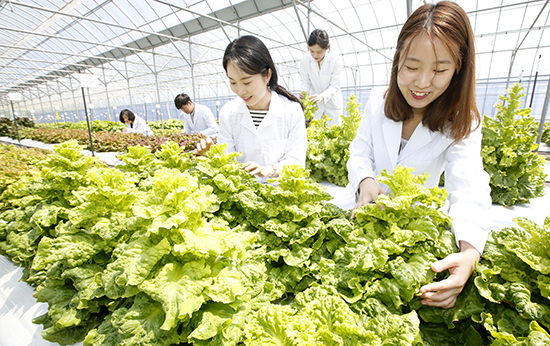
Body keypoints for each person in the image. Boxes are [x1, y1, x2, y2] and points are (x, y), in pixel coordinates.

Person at [347, 1, 492, 309]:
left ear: (458, 69)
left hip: (414, 230)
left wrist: (468, 252)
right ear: (397, 59)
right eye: (412, 67)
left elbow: (468, 186)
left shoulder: (462, 121)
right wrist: (366, 180)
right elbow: (359, 152)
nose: (423, 82)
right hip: (364, 219)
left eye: (440, 70)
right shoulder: (378, 100)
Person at [196, 35, 307, 183]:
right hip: (244, 194)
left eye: (247, 82)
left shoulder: (291, 110)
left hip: (280, 192)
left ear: (267, 75)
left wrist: (269, 170)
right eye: (233, 82)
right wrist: (211, 156)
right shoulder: (228, 112)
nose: (240, 91)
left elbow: (296, 161)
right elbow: (227, 161)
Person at [299, 29, 343, 127]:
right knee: (315, 133)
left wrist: (322, 96)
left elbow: (335, 85)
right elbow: (306, 81)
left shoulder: (335, 60)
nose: (315, 55)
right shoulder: (305, 60)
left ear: (327, 48)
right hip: (315, 105)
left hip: (332, 105)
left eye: (319, 52)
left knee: (333, 133)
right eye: (311, 51)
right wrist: (304, 92)